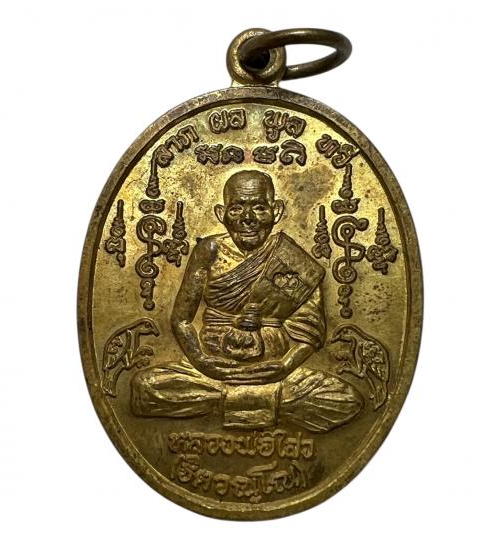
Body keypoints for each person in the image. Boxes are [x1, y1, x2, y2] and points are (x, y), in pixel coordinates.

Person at [131, 170, 363, 433]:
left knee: (345, 400)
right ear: (221, 214)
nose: (248, 218)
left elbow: (310, 335)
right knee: (145, 387)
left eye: (259, 208)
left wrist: (283, 366)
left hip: (274, 373)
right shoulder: (209, 251)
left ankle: (228, 400)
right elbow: (181, 319)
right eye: (237, 208)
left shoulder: (294, 262)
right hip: (213, 372)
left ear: (276, 212)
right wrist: (201, 361)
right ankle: (256, 401)